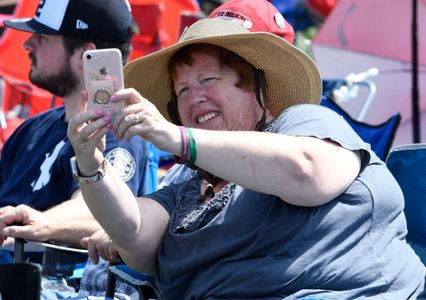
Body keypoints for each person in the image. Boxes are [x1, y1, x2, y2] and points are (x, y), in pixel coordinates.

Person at [67, 0, 426, 299]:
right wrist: (90, 164)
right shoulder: (188, 186)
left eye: (208, 79)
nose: (195, 98)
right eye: (182, 91)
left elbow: (306, 171)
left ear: (260, 91)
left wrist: (178, 138)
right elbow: (134, 235)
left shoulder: (304, 124)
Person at [0, 0, 149, 298]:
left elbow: (102, 210)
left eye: (42, 37)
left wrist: (42, 223)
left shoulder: (120, 128)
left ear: (85, 55)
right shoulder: (31, 128)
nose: (28, 44)